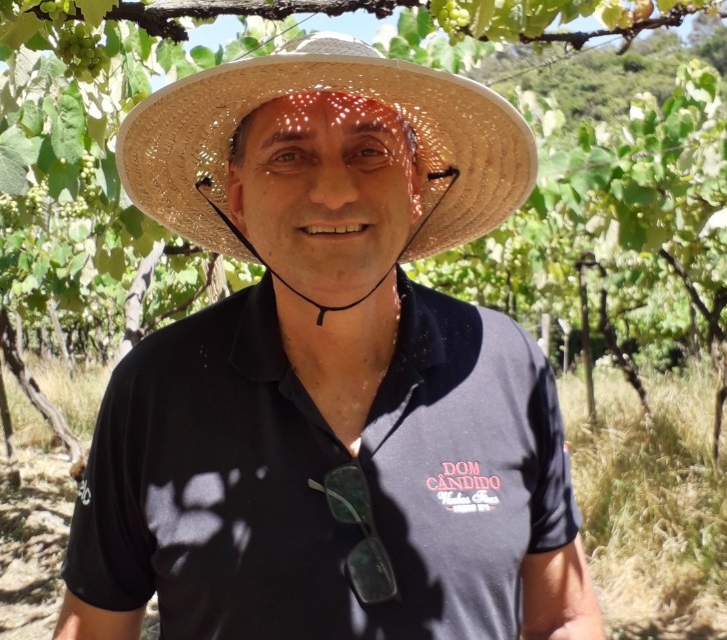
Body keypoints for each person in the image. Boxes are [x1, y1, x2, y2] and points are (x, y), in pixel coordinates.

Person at [54, 32, 604, 640]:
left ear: (418, 185)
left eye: (370, 151)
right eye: (289, 156)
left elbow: (567, 616)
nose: (335, 192)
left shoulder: (504, 363)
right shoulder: (156, 389)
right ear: (237, 198)